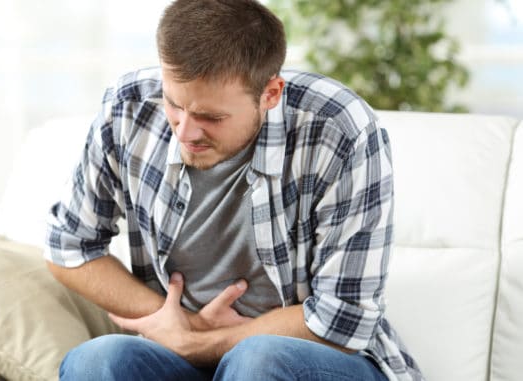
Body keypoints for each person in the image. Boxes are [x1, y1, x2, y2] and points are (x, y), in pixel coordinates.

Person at [44, 0, 423, 380]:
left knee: (258, 361)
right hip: (181, 357)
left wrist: (206, 341)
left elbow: (342, 320)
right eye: (174, 105)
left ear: (271, 93)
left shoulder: (340, 129)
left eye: (211, 117)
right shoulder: (128, 109)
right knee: (97, 361)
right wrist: (172, 319)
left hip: (312, 360)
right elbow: (69, 247)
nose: (186, 132)